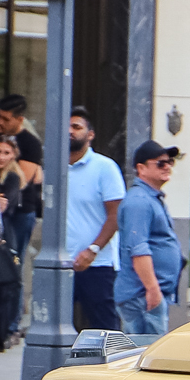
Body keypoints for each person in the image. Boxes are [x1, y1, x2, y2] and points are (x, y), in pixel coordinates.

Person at [64, 109, 126, 331]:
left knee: (104, 327)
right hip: (60, 263)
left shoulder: (105, 167)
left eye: (77, 127)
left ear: (90, 135)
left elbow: (116, 214)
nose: (70, 131)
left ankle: (114, 365)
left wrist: (92, 249)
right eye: (67, 126)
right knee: (58, 327)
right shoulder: (53, 168)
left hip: (96, 264)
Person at [118, 141, 184, 338]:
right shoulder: (139, 201)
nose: (168, 167)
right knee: (143, 356)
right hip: (141, 295)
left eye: (170, 162)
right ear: (141, 168)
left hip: (146, 294)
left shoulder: (149, 198)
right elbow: (138, 248)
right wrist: (152, 289)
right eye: (160, 163)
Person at [0, 134, 38, 350]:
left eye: (6, 153)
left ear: (14, 155)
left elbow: (7, 205)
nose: (1, 157)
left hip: (8, 231)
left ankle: (6, 331)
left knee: (9, 277)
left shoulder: (13, 177)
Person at [0, 94, 42, 168]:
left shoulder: (31, 144)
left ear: (20, 120)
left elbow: (25, 177)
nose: (0, 122)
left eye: (6, 119)